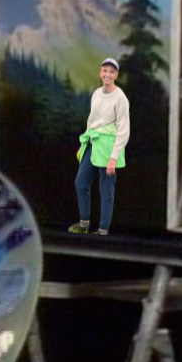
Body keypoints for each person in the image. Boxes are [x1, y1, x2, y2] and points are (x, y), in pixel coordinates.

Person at [68, 58, 130, 236]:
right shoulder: (96, 94)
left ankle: (102, 230)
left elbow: (124, 130)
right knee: (81, 183)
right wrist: (83, 144)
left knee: (106, 190)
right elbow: (91, 122)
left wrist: (113, 157)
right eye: (105, 71)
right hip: (93, 142)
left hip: (108, 146)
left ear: (116, 75)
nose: (107, 75)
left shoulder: (120, 98)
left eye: (111, 72)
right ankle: (84, 223)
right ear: (100, 72)